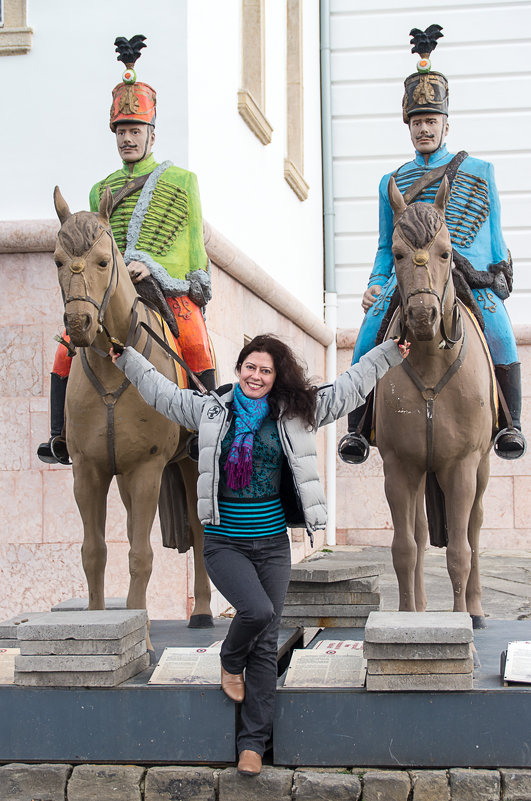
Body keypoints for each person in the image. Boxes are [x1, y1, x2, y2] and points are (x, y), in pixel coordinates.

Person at [109, 332, 409, 775]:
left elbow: (349, 386)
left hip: (271, 545)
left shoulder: (295, 413)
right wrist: (129, 359)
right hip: (225, 542)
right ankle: (230, 661)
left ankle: (253, 744)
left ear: (275, 377)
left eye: (265, 370)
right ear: (239, 369)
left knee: (266, 643)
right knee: (257, 612)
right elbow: (164, 394)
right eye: (250, 367)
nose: (256, 375)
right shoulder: (212, 411)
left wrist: (388, 353)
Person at [338, 24, 526, 464]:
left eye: (431, 121)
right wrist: (376, 283)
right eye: (417, 122)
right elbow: (386, 246)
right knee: (367, 333)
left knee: (499, 329)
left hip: (464, 272)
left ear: (445, 123)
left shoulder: (480, 171)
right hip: (409, 275)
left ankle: (511, 424)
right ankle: (358, 429)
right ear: (408, 127)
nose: (424, 129)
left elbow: (493, 233)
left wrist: (496, 276)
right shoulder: (392, 181)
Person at [38, 34, 215, 465]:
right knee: (65, 347)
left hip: (161, 286)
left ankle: (205, 430)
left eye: (135, 130)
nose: (127, 139)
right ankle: (59, 435)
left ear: (151, 134)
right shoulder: (101, 188)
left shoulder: (181, 181)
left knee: (195, 340)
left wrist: (150, 266)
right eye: (121, 132)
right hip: (109, 290)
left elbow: (192, 249)